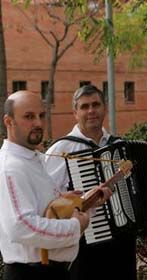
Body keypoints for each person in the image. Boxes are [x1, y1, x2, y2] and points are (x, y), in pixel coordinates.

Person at [44, 85, 137, 280]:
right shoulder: (61, 149)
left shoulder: (118, 145)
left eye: (96, 104)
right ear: (75, 113)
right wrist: (81, 201)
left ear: (104, 107)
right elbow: (47, 200)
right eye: (84, 106)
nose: (91, 111)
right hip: (84, 244)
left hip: (123, 244)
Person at [0, 91, 90, 280]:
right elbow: (21, 226)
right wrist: (74, 227)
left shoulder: (31, 159)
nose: (38, 123)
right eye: (29, 117)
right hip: (29, 274)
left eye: (41, 115)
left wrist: (65, 201)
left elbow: (41, 210)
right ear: (8, 122)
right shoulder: (11, 167)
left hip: (49, 272)